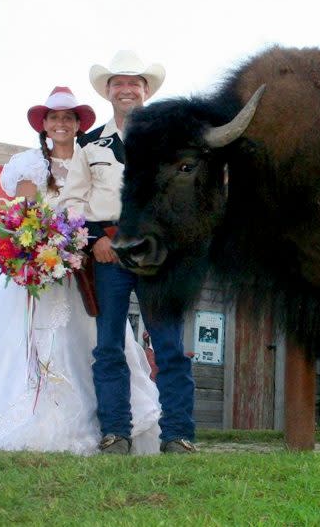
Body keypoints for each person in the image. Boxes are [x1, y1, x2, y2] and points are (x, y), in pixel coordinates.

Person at [0, 87, 161, 455]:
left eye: (68, 117)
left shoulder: (94, 156)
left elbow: (94, 210)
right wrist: (40, 250)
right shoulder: (31, 165)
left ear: (77, 123)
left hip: (81, 271)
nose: (61, 123)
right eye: (54, 117)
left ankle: (112, 425)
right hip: (37, 274)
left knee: (101, 342)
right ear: (45, 125)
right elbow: (22, 218)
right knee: (26, 343)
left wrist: (77, 246)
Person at [59, 51, 196, 454]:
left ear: (146, 90)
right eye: (117, 83)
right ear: (108, 91)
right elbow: (72, 200)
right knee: (108, 347)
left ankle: (179, 435)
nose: (125, 89)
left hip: (158, 255)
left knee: (169, 344)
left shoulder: (171, 142)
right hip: (109, 253)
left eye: (133, 83)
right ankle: (115, 432)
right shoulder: (89, 144)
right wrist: (95, 238)